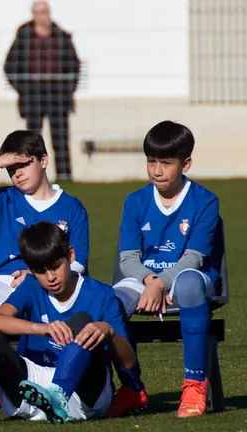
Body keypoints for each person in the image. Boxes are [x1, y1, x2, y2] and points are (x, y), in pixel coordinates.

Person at [0, 221, 137, 425]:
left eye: (55, 267)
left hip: (83, 395)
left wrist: (109, 332)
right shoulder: (31, 286)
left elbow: (128, 362)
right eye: (41, 271)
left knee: (83, 321)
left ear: (71, 255)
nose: (50, 277)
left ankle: (58, 394)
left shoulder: (102, 294)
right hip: (32, 389)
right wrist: (41, 329)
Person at [108, 121, 221, 418]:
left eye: (166, 163)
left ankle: (195, 384)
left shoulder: (205, 201)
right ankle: (132, 388)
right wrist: (150, 281)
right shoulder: (134, 201)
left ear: (186, 164)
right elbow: (128, 259)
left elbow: (194, 258)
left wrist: (159, 283)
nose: (157, 170)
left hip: (191, 278)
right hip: (144, 278)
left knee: (187, 284)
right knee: (111, 302)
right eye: (151, 161)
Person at [0, 130, 89, 340]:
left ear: (43, 160)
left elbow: (79, 262)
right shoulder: (7, 198)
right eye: (10, 169)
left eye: (23, 165)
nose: (17, 174)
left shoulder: (72, 207)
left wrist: (37, 274)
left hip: (51, 280)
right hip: (5, 280)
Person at [3, 0, 81, 181]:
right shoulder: (24, 36)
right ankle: (32, 173)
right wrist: (23, 89)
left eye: (45, 12)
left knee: (60, 137)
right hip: (33, 95)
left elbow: (73, 66)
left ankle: (64, 175)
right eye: (39, 13)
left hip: (58, 94)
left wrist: (68, 89)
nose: (43, 16)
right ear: (33, 15)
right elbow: (10, 65)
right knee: (32, 139)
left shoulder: (61, 37)